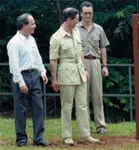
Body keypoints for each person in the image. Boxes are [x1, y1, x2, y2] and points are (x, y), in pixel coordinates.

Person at [49, 7, 100, 145]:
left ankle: (85, 135)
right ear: (70, 19)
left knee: (83, 105)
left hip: (80, 73)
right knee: (67, 106)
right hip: (65, 74)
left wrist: (84, 68)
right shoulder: (56, 37)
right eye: (77, 18)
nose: (79, 21)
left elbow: (80, 53)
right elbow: (53, 60)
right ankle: (67, 136)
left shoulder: (76, 32)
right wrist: (54, 79)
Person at [7, 13, 49, 147]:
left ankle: (38, 138)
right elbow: (14, 66)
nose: (35, 26)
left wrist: (42, 71)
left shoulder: (31, 39)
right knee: (20, 109)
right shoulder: (14, 43)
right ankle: (21, 140)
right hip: (21, 76)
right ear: (24, 25)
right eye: (32, 24)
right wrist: (21, 83)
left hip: (34, 76)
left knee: (38, 107)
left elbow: (37, 58)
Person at [76, 1, 109, 134]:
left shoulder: (99, 29)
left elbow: (103, 48)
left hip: (95, 63)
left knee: (97, 96)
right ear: (80, 13)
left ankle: (100, 126)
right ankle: (86, 126)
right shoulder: (75, 29)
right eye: (85, 13)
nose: (88, 16)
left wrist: (104, 66)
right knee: (82, 97)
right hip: (80, 64)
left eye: (90, 13)